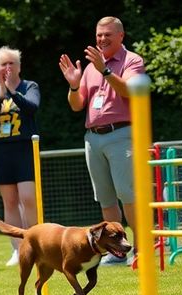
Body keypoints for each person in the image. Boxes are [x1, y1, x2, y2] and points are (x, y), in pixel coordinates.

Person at [59, 17, 145, 265]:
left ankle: (139, 249)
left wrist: (105, 70)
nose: (102, 39)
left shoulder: (132, 61)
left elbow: (129, 90)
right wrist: (74, 86)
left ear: (121, 36)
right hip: (93, 138)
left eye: (108, 35)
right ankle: (115, 251)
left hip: (122, 134)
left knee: (127, 194)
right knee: (106, 198)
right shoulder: (90, 67)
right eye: (99, 35)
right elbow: (77, 105)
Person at [0, 46, 40, 267]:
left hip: (24, 148)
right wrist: (1, 95)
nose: (7, 68)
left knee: (27, 197)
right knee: (10, 201)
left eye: (11, 63)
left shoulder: (30, 86)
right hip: (1, 151)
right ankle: (17, 250)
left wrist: (13, 92)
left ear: (19, 66)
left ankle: (34, 243)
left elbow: (32, 107)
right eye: (3, 64)